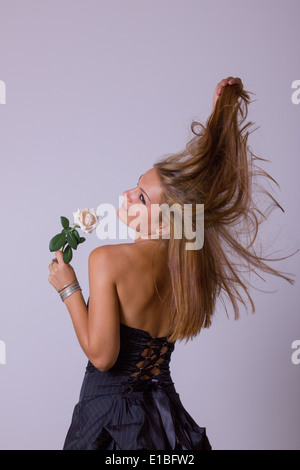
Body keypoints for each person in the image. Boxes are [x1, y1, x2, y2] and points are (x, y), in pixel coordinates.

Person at [48, 77, 294, 450]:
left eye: (143, 199)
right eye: (137, 185)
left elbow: (102, 356)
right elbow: (192, 193)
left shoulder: (107, 260)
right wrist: (218, 120)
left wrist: (67, 288)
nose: (129, 194)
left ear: (166, 223)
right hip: (164, 419)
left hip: (109, 423)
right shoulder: (190, 271)